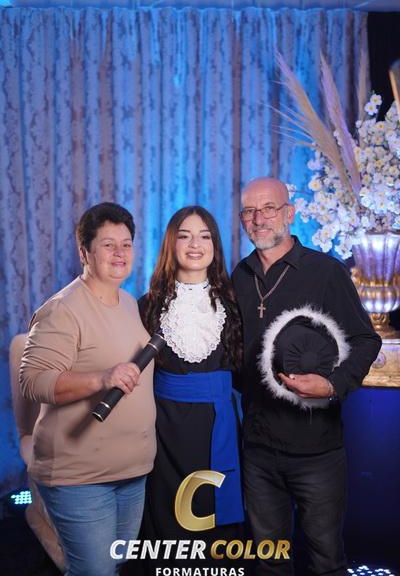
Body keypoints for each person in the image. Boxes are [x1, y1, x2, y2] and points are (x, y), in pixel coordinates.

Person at [231, 177, 382, 576]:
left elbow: (366, 340)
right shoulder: (239, 276)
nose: (258, 219)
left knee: (326, 563)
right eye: (249, 211)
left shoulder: (326, 271)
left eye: (269, 208)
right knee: (269, 565)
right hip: (258, 449)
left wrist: (332, 385)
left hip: (317, 451)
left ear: (290, 213)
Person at [20, 202, 156, 576]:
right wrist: (101, 378)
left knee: (113, 565)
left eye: (126, 244)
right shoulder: (62, 309)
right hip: (80, 477)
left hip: (131, 471)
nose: (120, 253)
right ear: (85, 254)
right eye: (108, 245)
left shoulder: (128, 301)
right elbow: (33, 381)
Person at [137, 205, 244, 570]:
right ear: (171, 244)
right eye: (184, 236)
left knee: (214, 518)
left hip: (219, 426)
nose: (195, 245)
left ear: (215, 245)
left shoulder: (236, 304)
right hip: (164, 429)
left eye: (204, 236)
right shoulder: (147, 306)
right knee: (167, 522)